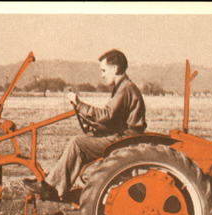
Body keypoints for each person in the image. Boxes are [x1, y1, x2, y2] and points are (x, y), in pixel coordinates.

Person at [24, 49, 146, 200]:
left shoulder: (125, 88)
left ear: (115, 69)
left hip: (124, 140)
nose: (102, 74)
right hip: (123, 136)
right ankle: (53, 182)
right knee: (83, 139)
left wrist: (79, 104)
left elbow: (106, 115)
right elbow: (112, 119)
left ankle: (51, 188)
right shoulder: (123, 87)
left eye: (103, 70)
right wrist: (93, 124)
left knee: (78, 143)